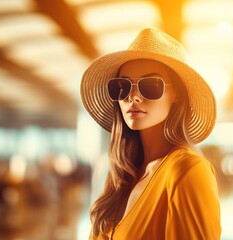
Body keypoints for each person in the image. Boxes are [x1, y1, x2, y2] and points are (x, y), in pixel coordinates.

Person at [80, 28, 221, 239]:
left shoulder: (187, 171)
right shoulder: (120, 177)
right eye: (122, 86)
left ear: (177, 95)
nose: (133, 96)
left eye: (150, 85)